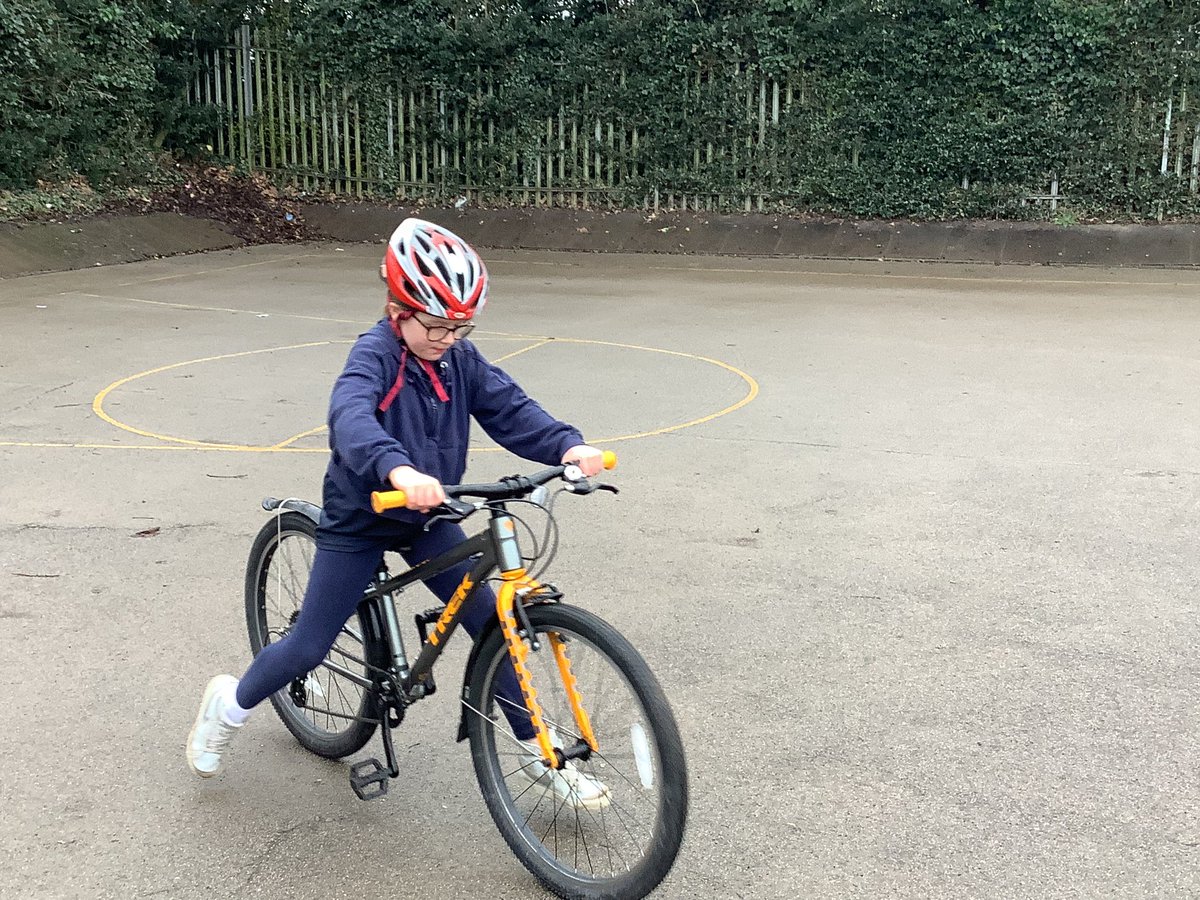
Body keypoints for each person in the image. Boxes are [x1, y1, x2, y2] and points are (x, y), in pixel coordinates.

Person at [187, 218, 610, 809]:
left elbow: (509, 407)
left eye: (460, 326)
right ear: (398, 308)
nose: (447, 337)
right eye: (435, 324)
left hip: (427, 514)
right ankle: (228, 707)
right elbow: (351, 416)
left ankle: (540, 752)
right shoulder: (376, 354)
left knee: (492, 622)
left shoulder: (458, 357)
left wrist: (566, 445)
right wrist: (397, 470)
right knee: (310, 645)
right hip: (365, 514)